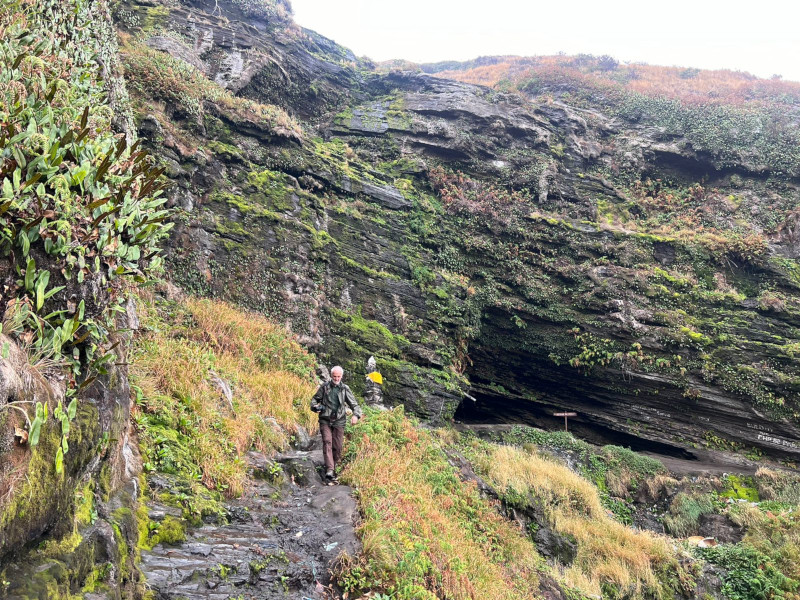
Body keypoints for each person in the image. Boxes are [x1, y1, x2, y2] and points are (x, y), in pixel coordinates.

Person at [310, 365, 362, 481]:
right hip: (325, 419)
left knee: (337, 447)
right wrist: (315, 406)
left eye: (338, 376)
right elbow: (314, 400)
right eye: (334, 376)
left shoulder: (345, 389)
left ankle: (333, 466)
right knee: (327, 442)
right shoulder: (324, 387)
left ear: (342, 376)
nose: (336, 379)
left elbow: (355, 405)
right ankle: (329, 469)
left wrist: (356, 415)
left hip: (339, 420)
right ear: (331, 375)